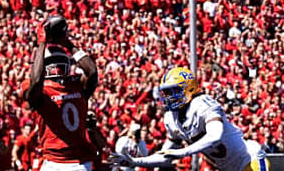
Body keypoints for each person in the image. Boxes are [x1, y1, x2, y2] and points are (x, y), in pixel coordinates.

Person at [110, 67, 269, 171]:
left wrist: (183, 152)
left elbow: (215, 135)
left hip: (250, 161)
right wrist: (136, 162)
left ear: (189, 88)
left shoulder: (202, 103)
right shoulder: (171, 118)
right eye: (166, 93)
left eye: (173, 91)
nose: (169, 97)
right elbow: (166, 155)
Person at [24, 15, 98, 171]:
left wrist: (63, 43)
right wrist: (65, 44)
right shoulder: (75, 85)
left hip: (70, 162)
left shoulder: (74, 85)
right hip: (62, 162)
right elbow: (91, 71)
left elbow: (92, 71)